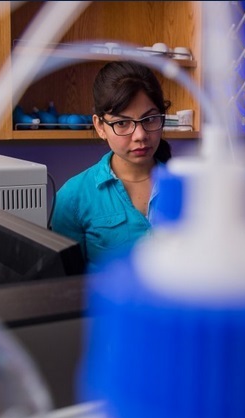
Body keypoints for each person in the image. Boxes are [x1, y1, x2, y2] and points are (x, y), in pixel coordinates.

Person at [51, 61, 172, 267]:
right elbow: (64, 285)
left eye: (150, 119)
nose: (140, 135)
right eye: (122, 123)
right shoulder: (73, 197)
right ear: (100, 126)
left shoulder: (187, 186)